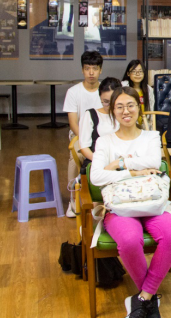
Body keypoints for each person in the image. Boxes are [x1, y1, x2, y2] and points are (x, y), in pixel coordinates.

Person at [90, 87, 171, 319]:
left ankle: (142, 299)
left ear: (139, 108)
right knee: (130, 240)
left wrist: (117, 165)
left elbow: (154, 161)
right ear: (112, 111)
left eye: (130, 105)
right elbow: (96, 177)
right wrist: (133, 171)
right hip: (120, 208)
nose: (126, 111)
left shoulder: (151, 137)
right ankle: (149, 300)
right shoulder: (104, 141)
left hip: (152, 203)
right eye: (119, 107)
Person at [63, 50, 104, 217]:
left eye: (95, 69)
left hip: (104, 136)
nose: (91, 73)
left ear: (100, 70)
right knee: (75, 156)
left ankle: (102, 200)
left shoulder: (106, 91)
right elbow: (73, 123)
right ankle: (73, 200)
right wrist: (86, 140)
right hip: (80, 136)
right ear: (82, 70)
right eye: (87, 68)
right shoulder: (74, 92)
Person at [78, 77, 122, 166]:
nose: (110, 106)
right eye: (106, 102)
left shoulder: (125, 114)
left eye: (114, 101)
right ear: (100, 98)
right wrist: (101, 161)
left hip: (122, 161)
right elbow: (84, 147)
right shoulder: (91, 115)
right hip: (97, 161)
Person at [122, 60, 155, 125]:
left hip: (145, 124)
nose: (137, 74)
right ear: (128, 73)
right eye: (134, 71)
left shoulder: (149, 90)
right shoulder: (123, 87)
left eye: (140, 71)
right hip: (127, 123)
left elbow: (151, 109)